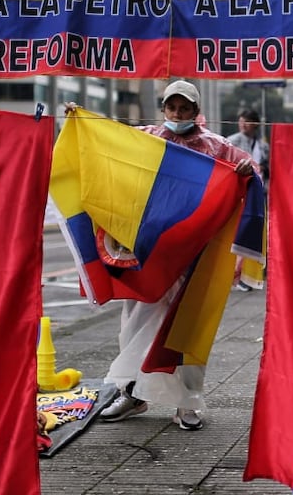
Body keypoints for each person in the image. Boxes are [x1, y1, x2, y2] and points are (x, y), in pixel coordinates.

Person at [73, 80, 255, 431]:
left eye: (184, 108)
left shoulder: (216, 146)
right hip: (146, 254)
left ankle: (187, 403)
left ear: (195, 111)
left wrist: (246, 171)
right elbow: (106, 142)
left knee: (185, 330)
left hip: (192, 259)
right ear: (163, 109)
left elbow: (248, 168)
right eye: (172, 108)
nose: (178, 114)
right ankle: (132, 394)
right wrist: (81, 123)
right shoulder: (144, 138)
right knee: (134, 325)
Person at [226, 109, 270, 290]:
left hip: (258, 193)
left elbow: (268, 168)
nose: (243, 124)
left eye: (247, 121)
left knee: (254, 232)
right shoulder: (231, 141)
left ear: (256, 124)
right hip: (239, 193)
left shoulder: (262, 145)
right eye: (241, 121)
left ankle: (246, 274)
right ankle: (236, 274)